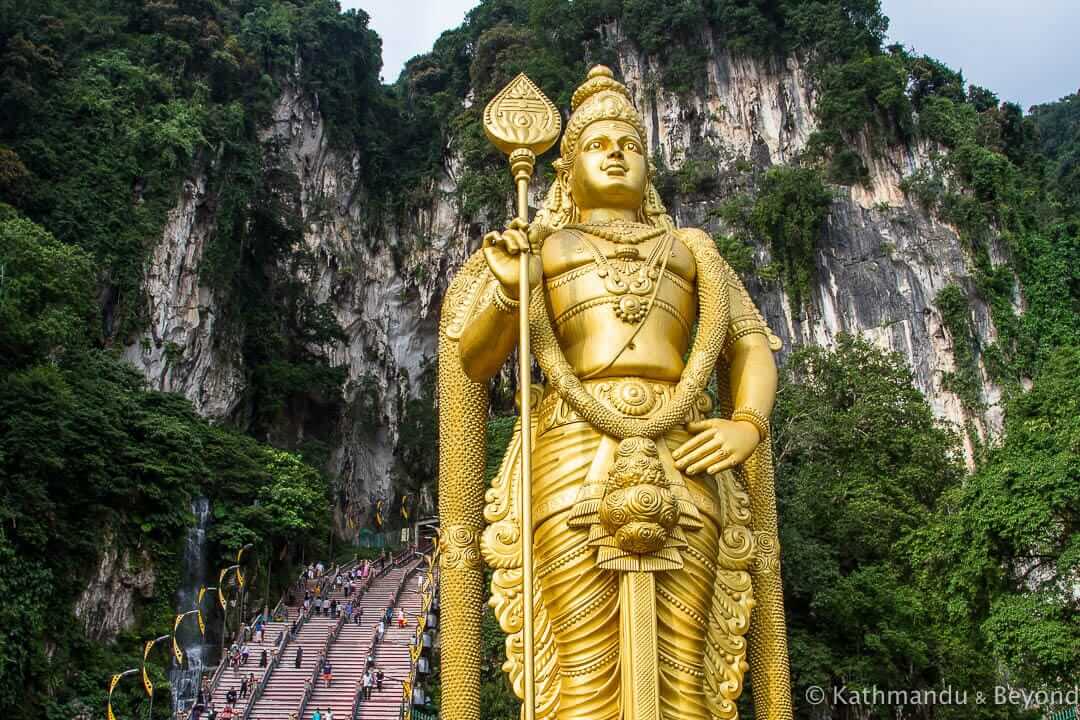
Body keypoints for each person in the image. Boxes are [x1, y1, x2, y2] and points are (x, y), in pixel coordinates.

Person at [438, 64, 789, 718]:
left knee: (686, 671)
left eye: (630, 145)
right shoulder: (543, 245)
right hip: (572, 450)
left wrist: (747, 423)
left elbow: (749, 346)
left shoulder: (692, 252)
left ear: (649, 168)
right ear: (566, 170)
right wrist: (511, 286)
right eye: (599, 145)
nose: (618, 155)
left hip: (683, 449)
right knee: (582, 669)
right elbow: (476, 358)